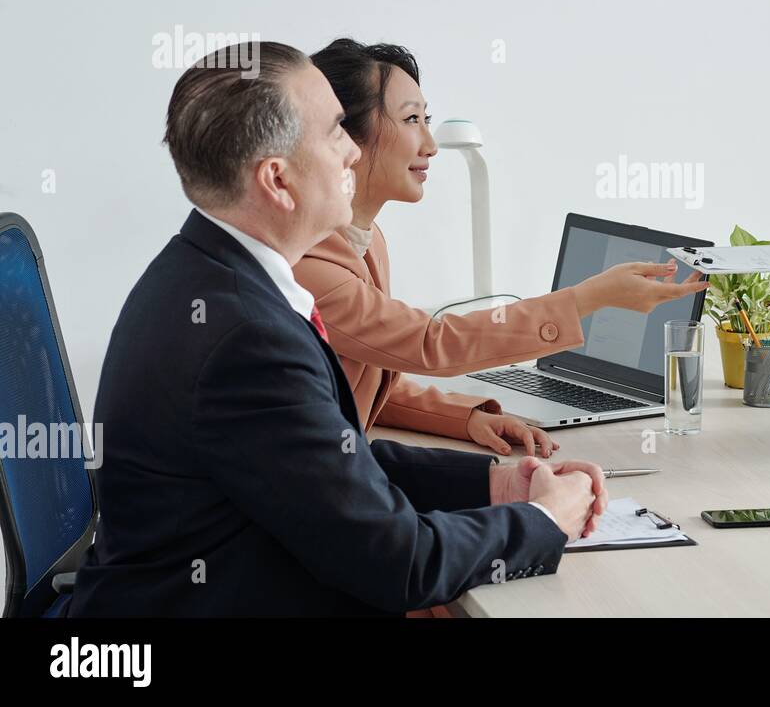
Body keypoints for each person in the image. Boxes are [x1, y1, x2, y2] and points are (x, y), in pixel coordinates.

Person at [70, 42, 606, 616]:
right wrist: (544, 520)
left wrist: (498, 485)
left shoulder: (207, 273)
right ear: (277, 180)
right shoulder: (247, 338)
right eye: (333, 133)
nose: (353, 150)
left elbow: (335, 462)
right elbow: (400, 563)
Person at [293, 38, 709, 456]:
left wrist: (467, 416)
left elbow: (374, 368)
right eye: (411, 119)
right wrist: (589, 298)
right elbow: (427, 342)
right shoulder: (308, 262)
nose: (431, 144)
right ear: (345, 134)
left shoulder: (366, 240)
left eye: (427, 118)